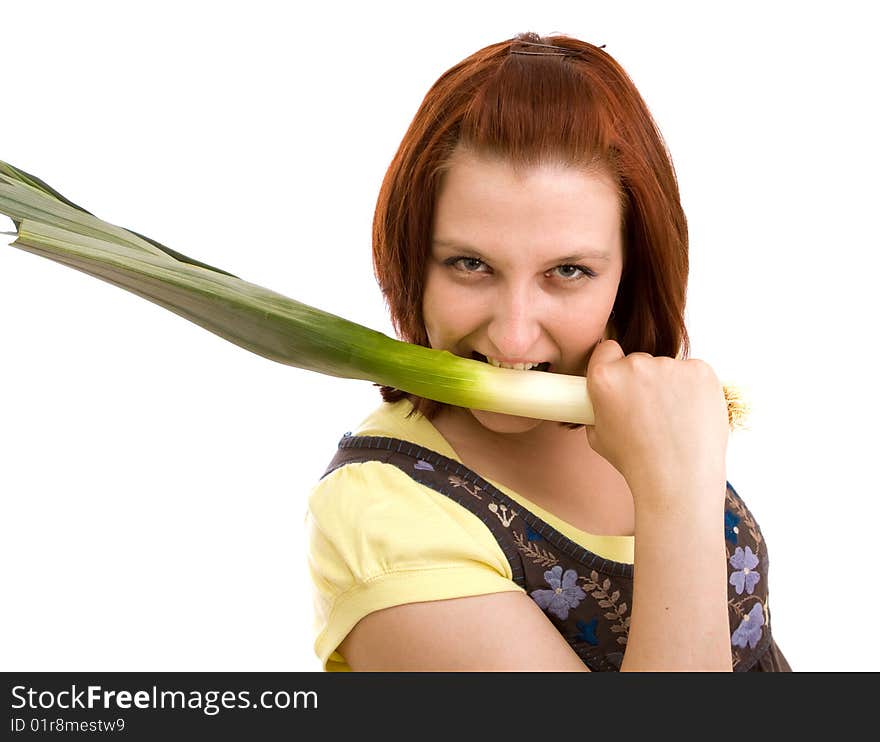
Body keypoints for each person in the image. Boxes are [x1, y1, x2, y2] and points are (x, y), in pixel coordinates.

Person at [304, 31, 790, 672]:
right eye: (469, 264)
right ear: (413, 260)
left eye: (567, 272)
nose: (512, 335)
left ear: (631, 272)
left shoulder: (632, 405)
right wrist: (675, 494)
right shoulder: (381, 517)